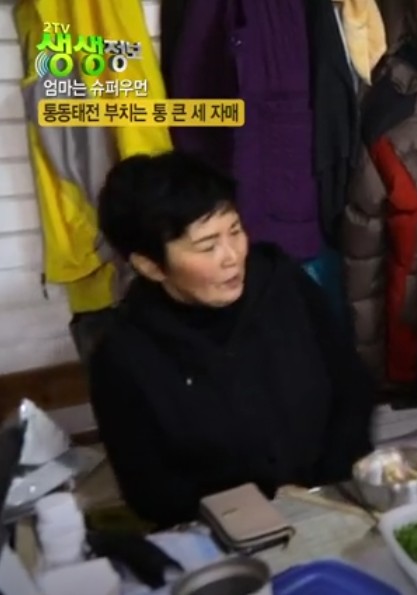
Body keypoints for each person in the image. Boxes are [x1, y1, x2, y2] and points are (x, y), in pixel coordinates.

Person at [88, 152, 376, 528]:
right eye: (208, 246)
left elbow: (351, 384)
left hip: (334, 501)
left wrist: (329, 487)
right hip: (226, 533)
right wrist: (253, 513)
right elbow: (150, 491)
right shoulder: (123, 355)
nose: (232, 257)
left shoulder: (281, 282)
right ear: (150, 266)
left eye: (235, 231)